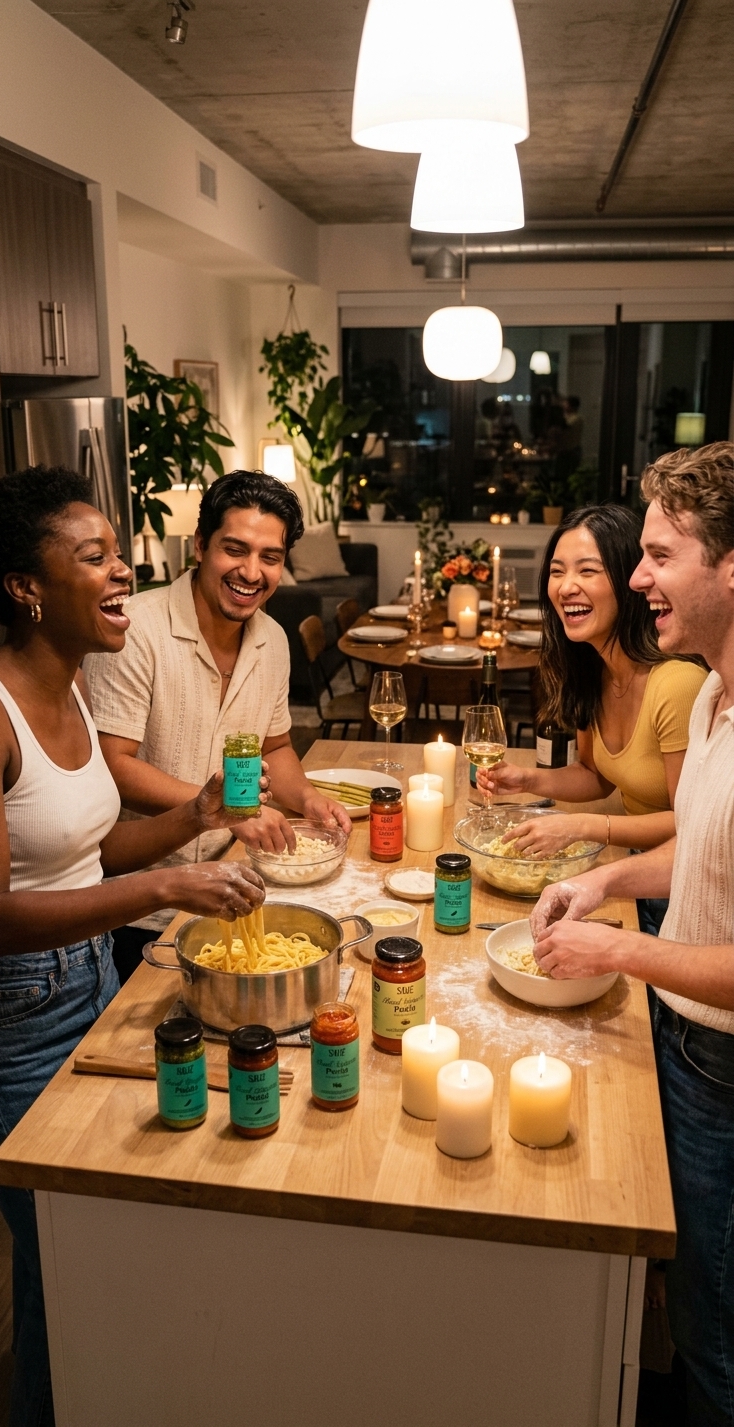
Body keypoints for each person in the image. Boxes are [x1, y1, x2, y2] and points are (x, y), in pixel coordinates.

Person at [0, 466, 265, 1427]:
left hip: (92, 980)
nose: (123, 571)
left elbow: (89, 851)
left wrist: (195, 817)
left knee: (105, 1247)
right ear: (26, 587)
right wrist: (163, 887)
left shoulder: (70, 688)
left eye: (120, 552)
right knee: (59, 1265)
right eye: (94, 556)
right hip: (18, 1013)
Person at [529, 442, 734, 1427]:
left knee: (716, 1329)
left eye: (658, 554)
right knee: (684, 1291)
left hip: (723, 1061)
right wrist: (604, 880)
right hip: (685, 1035)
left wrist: (616, 948)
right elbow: (698, 845)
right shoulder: (715, 695)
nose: (637, 577)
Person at [85, 471, 351, 983]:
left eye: (270, 557)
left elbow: (276, 746)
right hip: (140, 907)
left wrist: (309, 799)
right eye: (235, 549)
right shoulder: (136, 630)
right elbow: (112, 766)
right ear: (201, 545)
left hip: (231, 883)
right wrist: (227, 811)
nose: (251, 572)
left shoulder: (272, 639)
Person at [479, 504, 706, 934]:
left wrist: (584, 826)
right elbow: (594, 775)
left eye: (587, 571)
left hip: (677, 888)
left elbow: (691, 823)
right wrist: (526, 780)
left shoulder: (676, 684)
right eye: (557, 572)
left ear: (629, 580)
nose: (566, 587)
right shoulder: (595, 669)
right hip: (629, 866)